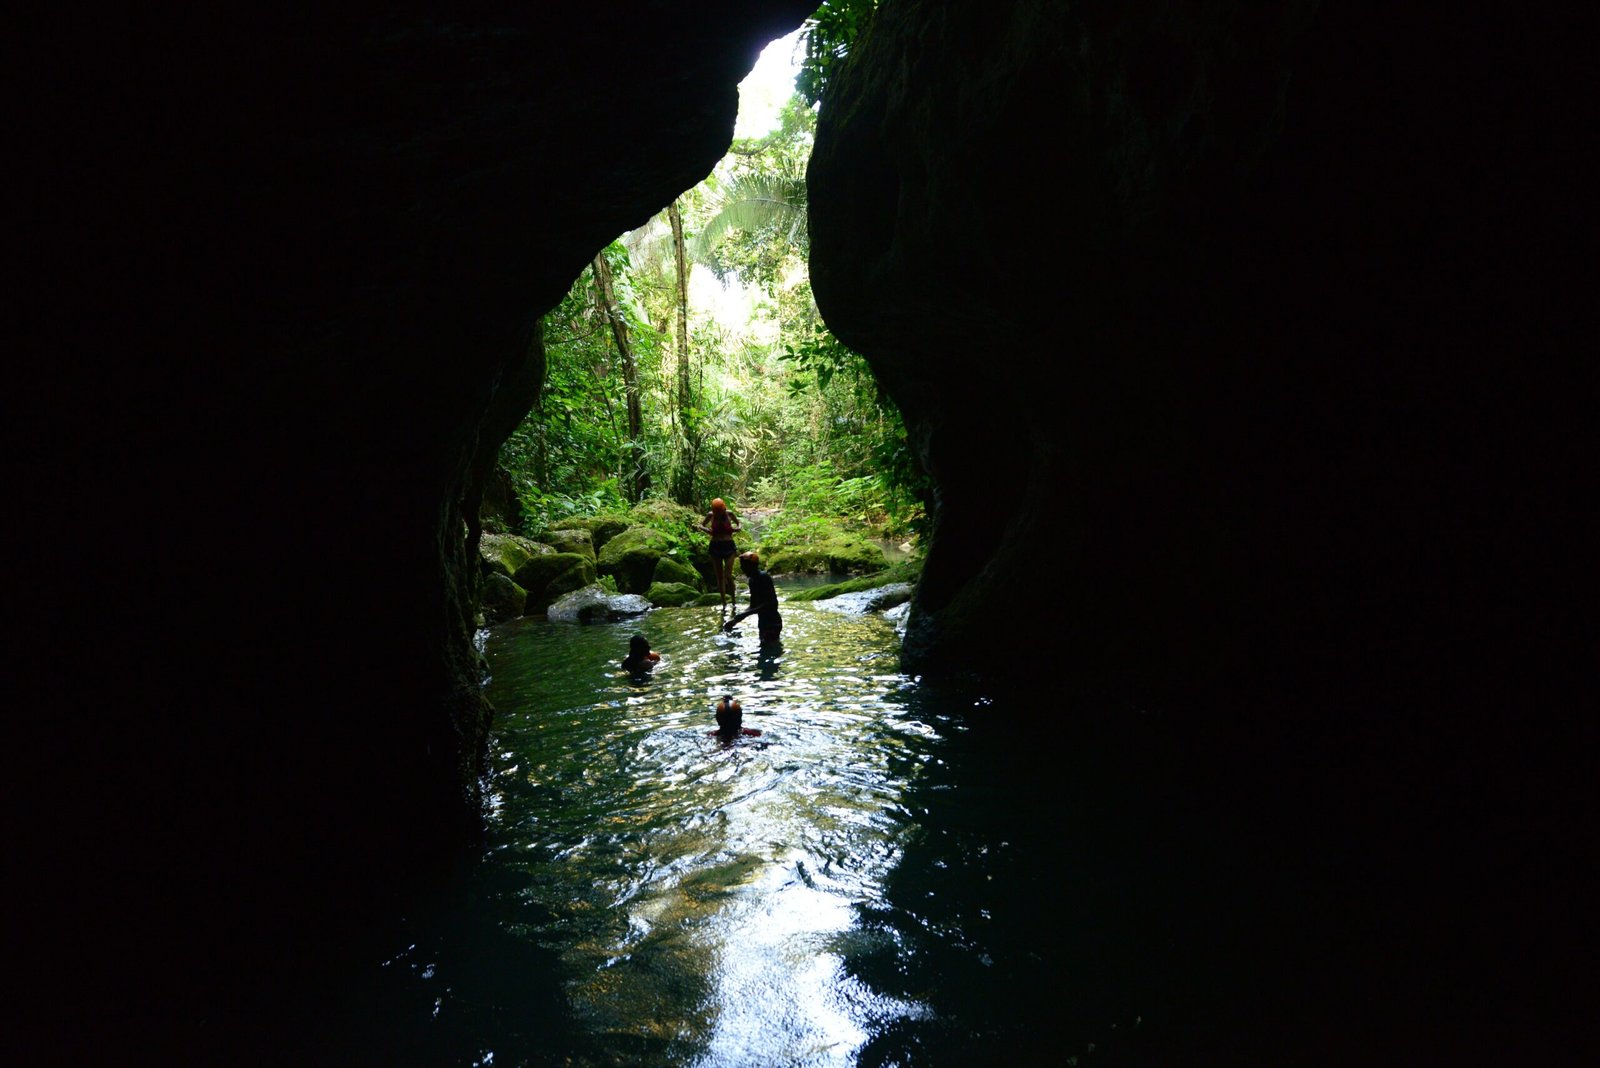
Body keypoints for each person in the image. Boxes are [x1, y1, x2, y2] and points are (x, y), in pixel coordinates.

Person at [723, 551, 781, 645]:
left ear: (753, 566)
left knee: (768, 647)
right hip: (763, 622)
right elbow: (753, 605)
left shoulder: (764, 578)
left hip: (772, 622)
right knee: (765, 646)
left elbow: (771, 604)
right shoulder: (752, 580)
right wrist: (736, 620)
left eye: (744, 566)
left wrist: (745, 614)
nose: (742, 568)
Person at [700, 498, 741, 608]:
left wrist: (738, 528)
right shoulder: (710, 515)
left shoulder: (729, 514)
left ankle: (733, 601)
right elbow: (701, 525)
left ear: (724, 508)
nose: (718, 513)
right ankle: (724, 603)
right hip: (715, 546)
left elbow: (739, 523)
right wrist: (707, 530)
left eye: (720, 511)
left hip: (729, 545)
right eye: (716, 511)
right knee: (719, 576)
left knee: (728, 575)